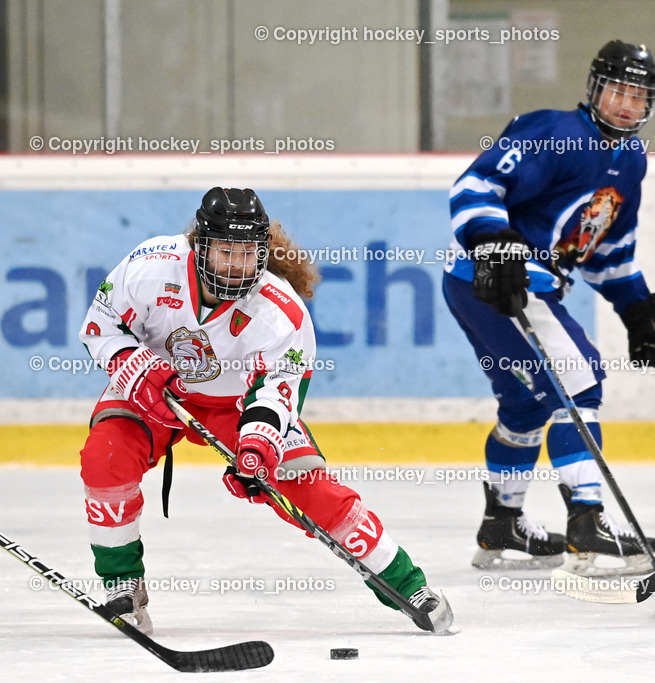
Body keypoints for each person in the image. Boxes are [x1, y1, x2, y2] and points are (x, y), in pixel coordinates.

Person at [79, 187, 454, 634]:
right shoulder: (151, 266)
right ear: (200, 245)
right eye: (225, 251)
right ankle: (122, 582)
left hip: (238, 405)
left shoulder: (280, 311)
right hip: (152, 390)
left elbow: (277, 391)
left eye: (248, 253)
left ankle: (407, 584)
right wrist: (137, 367)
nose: (238, 266)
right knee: (104, 458)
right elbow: (100, 326)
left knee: (307, 486)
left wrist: (258, 447)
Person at [442, 40, 655, 575]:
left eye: (638, 95)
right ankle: (588, 526)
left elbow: (604, 252)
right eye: (617, 89)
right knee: (581, 376)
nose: (626, 103)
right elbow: (476, 186)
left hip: (496, 288)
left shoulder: (630, 161)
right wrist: (494, 241)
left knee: (527, 408)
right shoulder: (555, 132)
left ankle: (502, 525)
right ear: (595, 89)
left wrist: (636, 308)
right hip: (496, 284)